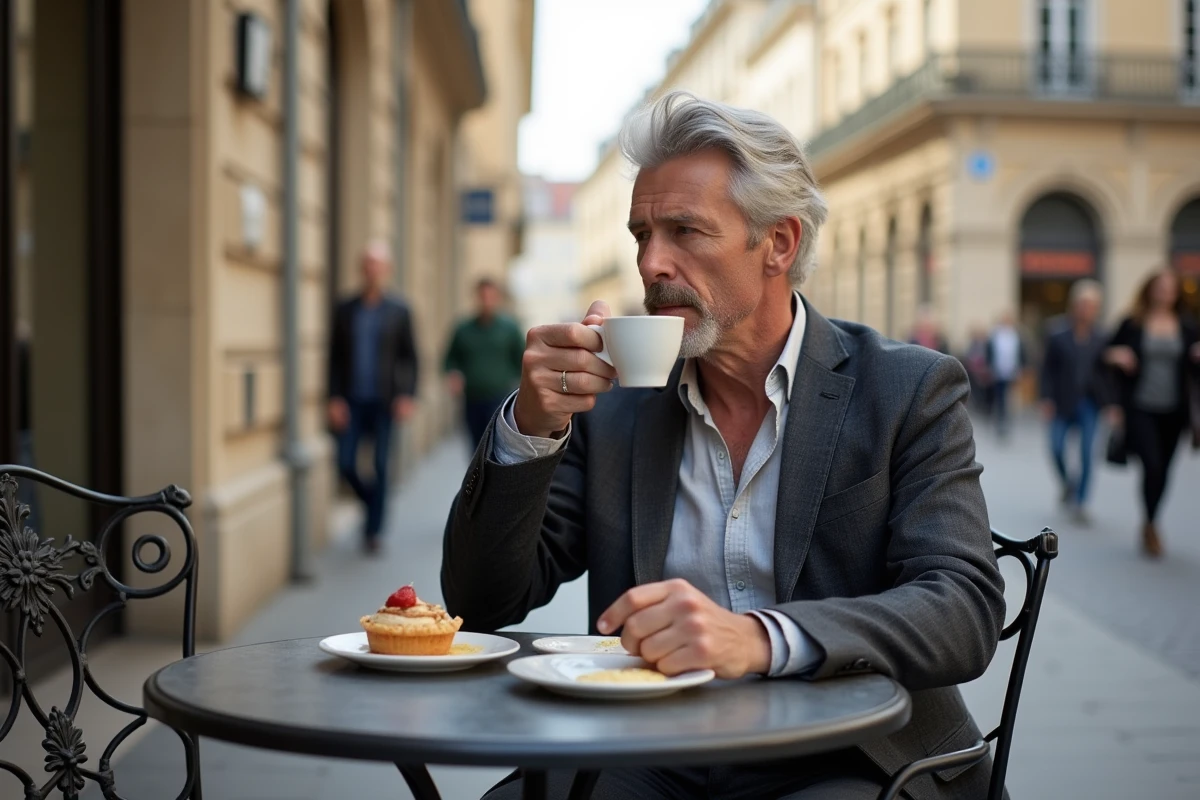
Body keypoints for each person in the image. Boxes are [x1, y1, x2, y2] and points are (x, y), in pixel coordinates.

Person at [442, 92, 1004, 800]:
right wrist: (532, 426)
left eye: (685, 230)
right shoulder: (614, 409)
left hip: (848, 748)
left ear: (779, 243)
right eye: (642, 234)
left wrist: (759, 638)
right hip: (648, 744)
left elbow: (962, 606)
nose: (652, 263)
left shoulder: (905, 389)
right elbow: (483, 599)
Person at [327, 240, 419, 554]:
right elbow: (334, 358)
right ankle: (372, 504)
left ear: (387, 270)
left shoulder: (399, 311)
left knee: (380, 465)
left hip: (384, 401)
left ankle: (373, 531)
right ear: (361, 269)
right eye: (368, 264)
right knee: (345, 463)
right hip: (351, 400)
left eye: (378, 265)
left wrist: (407, 395)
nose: (372, 270)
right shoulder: (345, 309)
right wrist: (334, 397)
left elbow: (411, 357)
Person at [1103, 269, 1200, 558]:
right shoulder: (1132, 323)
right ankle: (1151, 522)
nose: (1166, 292)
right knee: (1152, 464)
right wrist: (1117, 355)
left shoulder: (1187, 325)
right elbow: (1104, 353)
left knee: (1165, 468)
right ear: (1149, 290)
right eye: (1161, 287)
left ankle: (1150, 521)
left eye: (1171, 288)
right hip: (1140, 406)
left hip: (1175, 409)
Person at [1039, 280, 1107, 524]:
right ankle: (1069, 484)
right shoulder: (1057, 333)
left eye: (1091, 305)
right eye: (1083, 304)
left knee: (1087, 453)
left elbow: (1107, 374)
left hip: (1090, 402)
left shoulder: (1102, 337)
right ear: (1074, 305)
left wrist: (1113, 404)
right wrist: (1045, 398)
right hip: (1061, 401)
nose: (1086, 309)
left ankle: (1080, 502)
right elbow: (1046, 369)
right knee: (1056, 448)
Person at [443, 278, 526, 452]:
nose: (487, 301)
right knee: (476, 447)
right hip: (472, 398)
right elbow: (450, 359)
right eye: (483, 297)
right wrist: (453, 374)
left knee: (495, 447)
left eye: (491, 297)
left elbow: (523, 360)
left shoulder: (509, 329)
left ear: (497, 299)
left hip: (499, 399)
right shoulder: (464, 329)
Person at [986, 311, 1026, 439]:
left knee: (1009, 398)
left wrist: (1021, 368)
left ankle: (1008, 421)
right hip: (998, 372)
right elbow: (989, 352)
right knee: (1000, 398)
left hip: (1012, 372)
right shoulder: (995, 335)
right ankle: (1000, 422)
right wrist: (990, 367)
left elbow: (1021, 353)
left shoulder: (1016, 335)